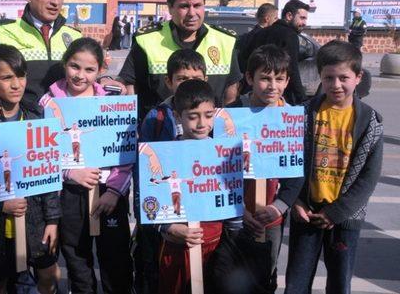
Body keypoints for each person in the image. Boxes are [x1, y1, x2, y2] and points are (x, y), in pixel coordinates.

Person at [284, 40, 383, 294]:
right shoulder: (303, 114)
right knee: (296, 283)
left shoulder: (370, 121)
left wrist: (337, 212)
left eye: (344, 77)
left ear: (358, 77)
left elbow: (368, 177)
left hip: (344, 218)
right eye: (329, 78)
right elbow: (288, 161)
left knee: (340, 284)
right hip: (306, 213)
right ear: (320, 77)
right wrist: (296, 201)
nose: (336, 85)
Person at [39, 38, 133, 294]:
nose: (80, 76)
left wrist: (114, 191)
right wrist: (70, 172)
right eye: (74, 67)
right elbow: (42, 154)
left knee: (115, 260)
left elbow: (123, 152)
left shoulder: (112, 102)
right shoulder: (49, 103)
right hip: (70, 195)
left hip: (108, 194)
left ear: (100, 71)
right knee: (77, 260)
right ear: (65, 63)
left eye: (89, 70)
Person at [0, 44, 60, 294]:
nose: (16, 84)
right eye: (7, 77)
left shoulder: (36, 120)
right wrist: (0, 205)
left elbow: (49, 178)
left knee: (48, 276)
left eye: (20, 76)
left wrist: (52, 221)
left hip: (36, 223)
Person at [222, 45, 305, 293]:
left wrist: (278, 207)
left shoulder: (292, 118)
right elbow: (218, 168)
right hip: (234, 213)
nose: (272, 86)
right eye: (265, 78)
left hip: (271, 216)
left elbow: (296, 171)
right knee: (228, 273)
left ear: (288, 80)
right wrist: (236, 209)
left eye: (279, 79)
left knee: (265, 271)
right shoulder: (231, 114)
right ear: (249, 78)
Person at [133, 49, 208, 294]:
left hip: (205, 226)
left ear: (205, 81)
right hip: (167, 226)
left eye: (196, 79)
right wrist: (160, 225)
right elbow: (145, 178)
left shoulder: (216, 120)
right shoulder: (156, 118)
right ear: (169, 82)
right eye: (182, 79)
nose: (189, 84)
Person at [119, 0, 242, 119]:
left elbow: (231, 93)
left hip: (209, 134)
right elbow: (130, 86)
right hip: (160, 134)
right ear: (170, 8)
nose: (192, 13)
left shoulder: (224, 40)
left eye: (197, 5)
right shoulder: (146, 41)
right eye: (184, 6)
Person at [155, 79, 223, 294]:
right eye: (193, 117)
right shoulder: (163, 155)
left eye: (209, 115)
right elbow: (150, 203)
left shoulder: (224, 153)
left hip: (216, 244)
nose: (202, 123)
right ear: (177, 116)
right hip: (176, 244)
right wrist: (169, 228)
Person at [244, 0, 309, 105]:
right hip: (278, 98)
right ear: (289, 16)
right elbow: (292, 69)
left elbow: (244, 58)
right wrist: (301, 97)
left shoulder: (262, 32)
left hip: (253, 94)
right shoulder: (290, 36)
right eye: (302, 18)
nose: (304, 23)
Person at [236, 3, 278, 74]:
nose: (277, 21)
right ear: (267, 19)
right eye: (275, 18)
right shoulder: (262, 35)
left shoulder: (251, 34)